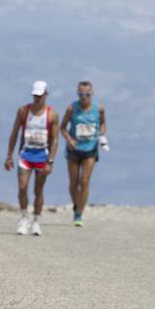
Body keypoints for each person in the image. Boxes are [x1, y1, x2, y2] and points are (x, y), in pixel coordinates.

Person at [4, 80, 59, 236]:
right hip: (26, 154)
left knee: (38, 190)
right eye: (35, 96)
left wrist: (51, 161)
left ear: (46, 95)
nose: (37, 99)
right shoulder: (23, 111)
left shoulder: (52, 114)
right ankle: (23, 218)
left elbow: (55, 139)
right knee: (22, 187)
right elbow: (14, 133)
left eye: (40, 96)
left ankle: (36, 220)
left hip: (42, 156)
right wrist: (9, 155)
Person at [60, 81, 107, 227]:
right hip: (74, 149)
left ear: (92, 94)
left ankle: (79, 213)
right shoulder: (71, 108)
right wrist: (69, 139)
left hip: (90, 149)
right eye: (81, 94)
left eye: (87, 94)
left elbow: (103, 123)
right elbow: (62, 127)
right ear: (77, 93)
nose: (84, 97)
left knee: (84, 181)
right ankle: (76, 205)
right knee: (74, 182)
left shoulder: (98, 108)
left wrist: (101, 136)